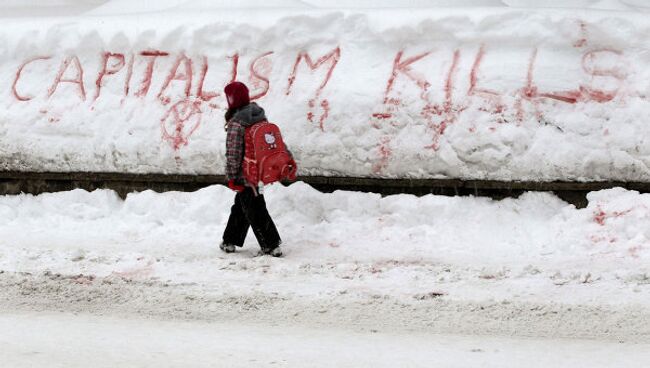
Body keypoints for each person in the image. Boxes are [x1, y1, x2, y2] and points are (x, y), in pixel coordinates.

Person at [220, 81, 283, 257]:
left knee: (255, 209)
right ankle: (229, 240)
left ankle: (271, 245)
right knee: (241, 206)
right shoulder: (259, 115)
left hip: (244, 174)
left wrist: (232, 177)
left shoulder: (237, 122)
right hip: (260, 170)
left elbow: (233, 153)